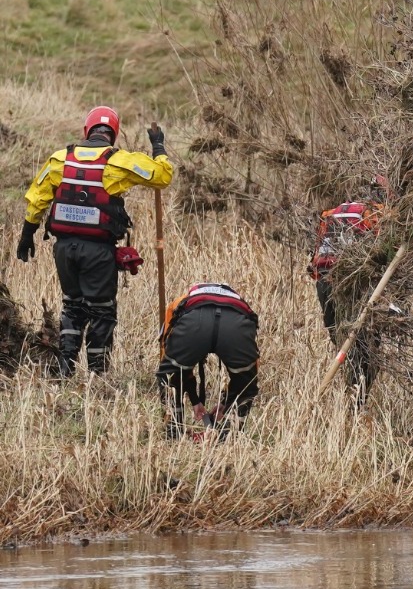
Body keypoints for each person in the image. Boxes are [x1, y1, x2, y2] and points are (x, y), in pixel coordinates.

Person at [16, 106, 174, 377]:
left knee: (72, 305)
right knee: (102, 311)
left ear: (86, 131)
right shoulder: (119, 161)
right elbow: (163, 176)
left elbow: (37, 199)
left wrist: (27, 234)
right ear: (113, 134)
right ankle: (97, 374)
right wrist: (158, 147)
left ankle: (65, 367)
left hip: (64, 249)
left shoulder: (59, 159)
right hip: (99, 252)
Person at [309, 180, 384, 401]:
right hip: (357, 283)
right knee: (365, 342)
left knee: (342, 337)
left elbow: (316, 256)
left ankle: (354, 388)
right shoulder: (377, 216)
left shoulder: (331, 214)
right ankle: (358, 397)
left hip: (325, 281)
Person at [157, 282, 260, 438]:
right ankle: (232, 435)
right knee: (245, 384)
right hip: (235, 327)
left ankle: (173, 429)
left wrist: (194, 399)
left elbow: (167, 357)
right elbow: (249, 377)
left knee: (170, 374)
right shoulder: (243, 305)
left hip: (194, 323)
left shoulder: (179, 302)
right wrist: (226, 402)